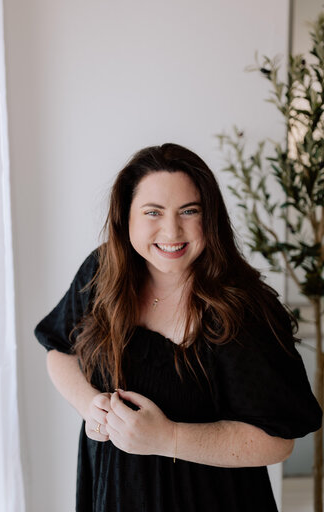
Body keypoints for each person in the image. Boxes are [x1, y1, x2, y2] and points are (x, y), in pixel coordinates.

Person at [34, 143, 322, 512]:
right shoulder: (102, 272)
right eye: (153, 212)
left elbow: (278, 441)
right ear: (127, 217)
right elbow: (59, 349)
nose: (172, 230)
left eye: (189, 211)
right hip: (113, 492)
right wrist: (90, 406)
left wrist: (167, 437)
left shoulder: (241, 308)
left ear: (210, 217)